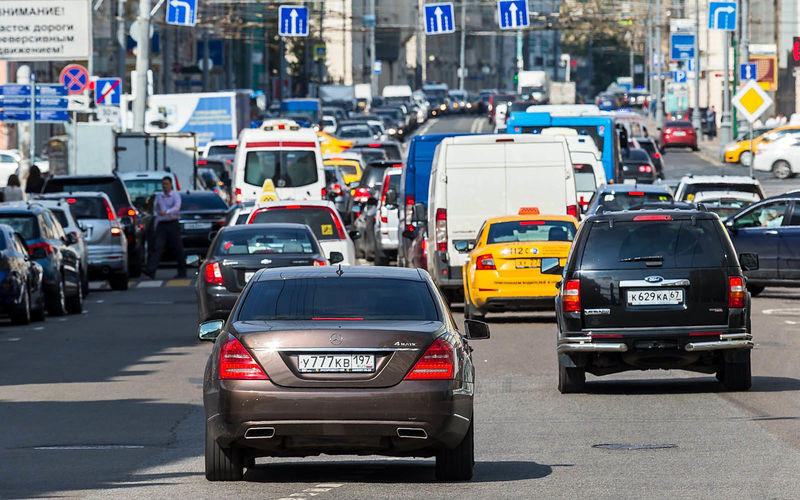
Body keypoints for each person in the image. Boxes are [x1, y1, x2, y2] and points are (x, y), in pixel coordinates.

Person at [144, 176, 185, 279]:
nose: (164, 186)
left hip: (172, 223)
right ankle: (151, 270)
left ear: (171, 185)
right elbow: (158, 213)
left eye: (166, 184)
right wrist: (155, 225)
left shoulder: (175, 196)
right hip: (162, 225)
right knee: (158, 247)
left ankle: (182, 271)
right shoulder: (160, 197)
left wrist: (166, 212)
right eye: (163, 184)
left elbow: (176, 208)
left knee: (177, 248)